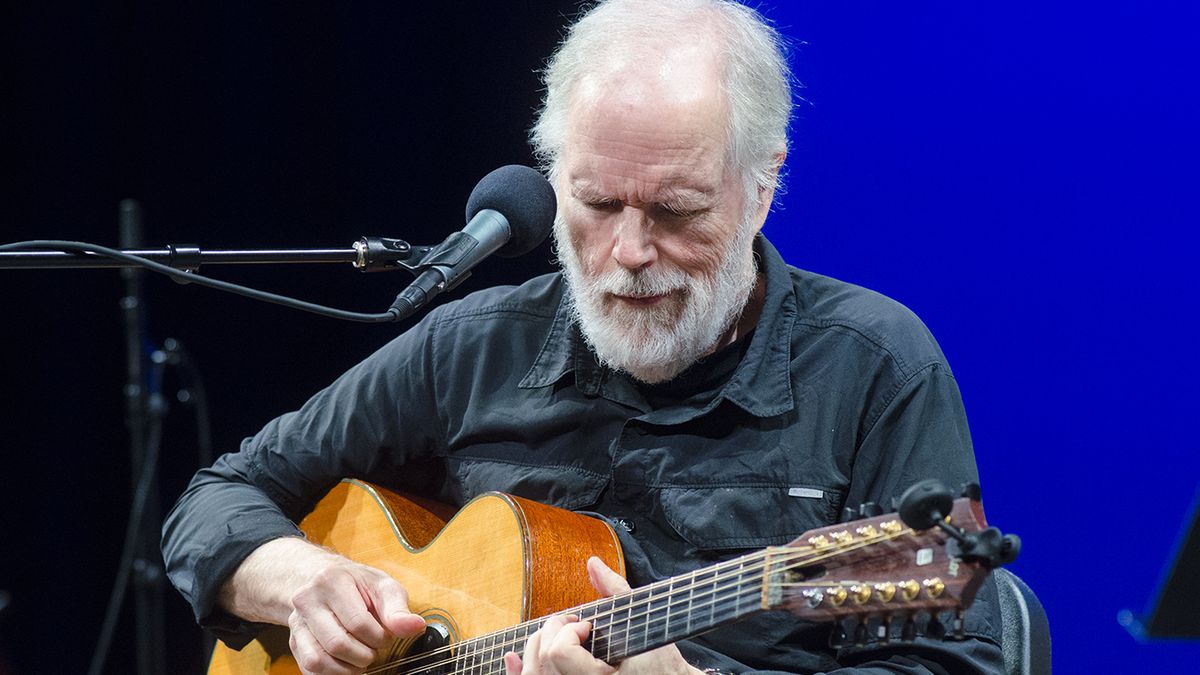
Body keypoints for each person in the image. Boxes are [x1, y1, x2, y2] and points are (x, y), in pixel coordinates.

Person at [162, 1, 1005, 673]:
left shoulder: (875, 363)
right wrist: (305, 582)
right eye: (597, 204)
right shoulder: (472, 345)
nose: (629, 254)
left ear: (761, 187)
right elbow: (215, 499)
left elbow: (943, 663)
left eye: (675, 210)